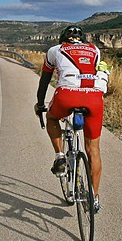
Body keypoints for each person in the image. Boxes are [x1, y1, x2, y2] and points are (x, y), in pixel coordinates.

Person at [34, 25, 110, 213]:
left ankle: (60, 156)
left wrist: (40, 104)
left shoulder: (55, 50)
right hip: (93, 97)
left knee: (52, 118)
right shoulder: (95, 49)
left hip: (66, 95)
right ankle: (94, 197)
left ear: (62, 39)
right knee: (93, 149)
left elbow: (45, 80)